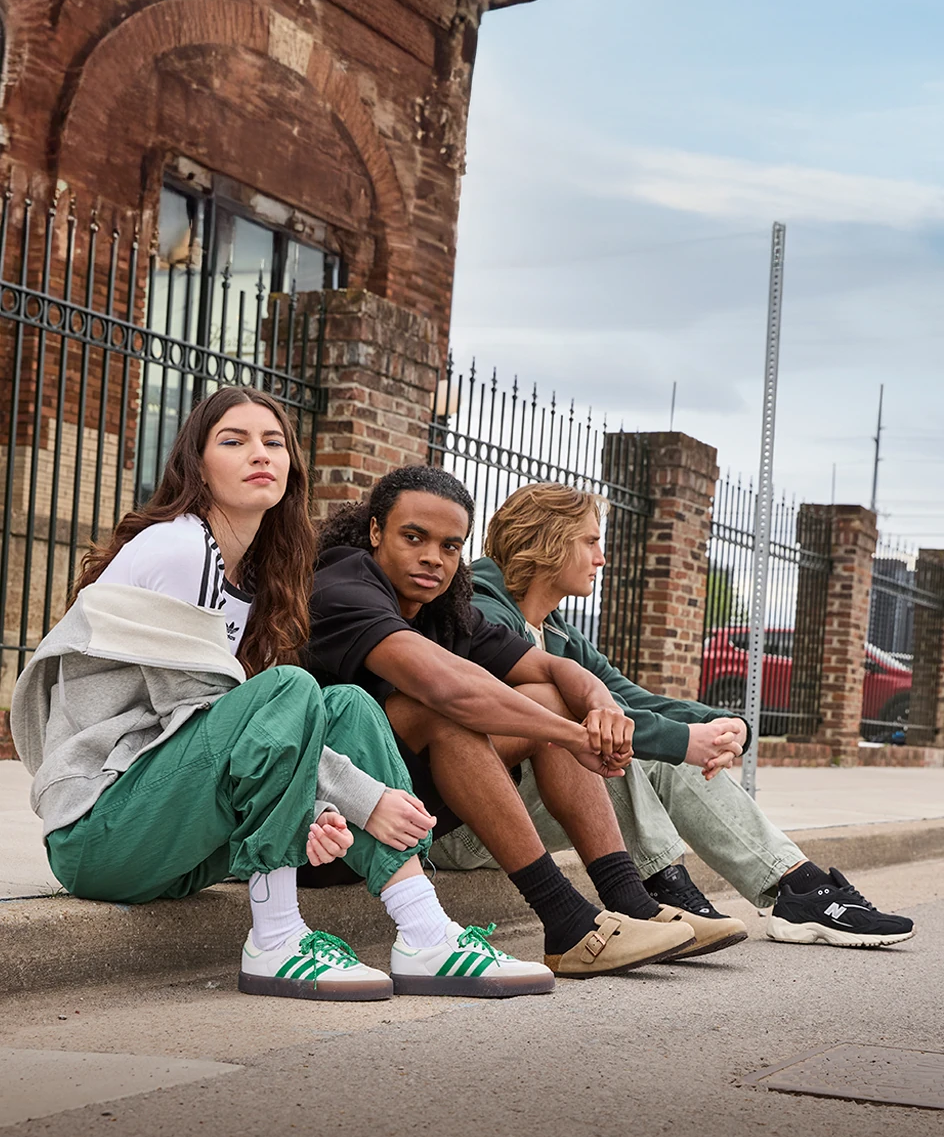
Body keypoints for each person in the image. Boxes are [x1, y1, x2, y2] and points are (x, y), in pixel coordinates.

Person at [11, 389, 553, 1001]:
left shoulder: (255, 568)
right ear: (198, 463)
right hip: (102, 832)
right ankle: (275, 940)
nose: (258, 454)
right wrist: (359, 796)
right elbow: (213, 716)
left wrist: (313, 808)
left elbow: (239, 743)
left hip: (175, 831)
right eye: (233, 441)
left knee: (345, 703)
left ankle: (424, 930)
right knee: (291, 688)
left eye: (273, 442)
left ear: (292, 464)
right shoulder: (178, 547)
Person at [305, 465, 749, 977]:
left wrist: (599, 703)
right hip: (325, 825)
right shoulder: (341, 585)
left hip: (398, 813)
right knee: (444, 712)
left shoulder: (443, 606)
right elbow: (447, 687)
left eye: (451, 546)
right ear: (376, 531)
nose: (434, 557)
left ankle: (629, 901)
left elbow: (554, 668)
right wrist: (575, 734)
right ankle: (565, 919)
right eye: (413, 537)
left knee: (546, 694)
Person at [448, 481, 915, 951]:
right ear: (548, 540)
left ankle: (795, 886)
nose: (602, 557)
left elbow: (630, 697)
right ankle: (662, 889)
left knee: (651, 745)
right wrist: (682, 742)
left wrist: (721, 723)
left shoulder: (556, 630)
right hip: (469, 824)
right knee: (624, 749)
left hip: (522, 812)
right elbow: (554, 721)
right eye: (590, 541)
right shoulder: (483, 612)